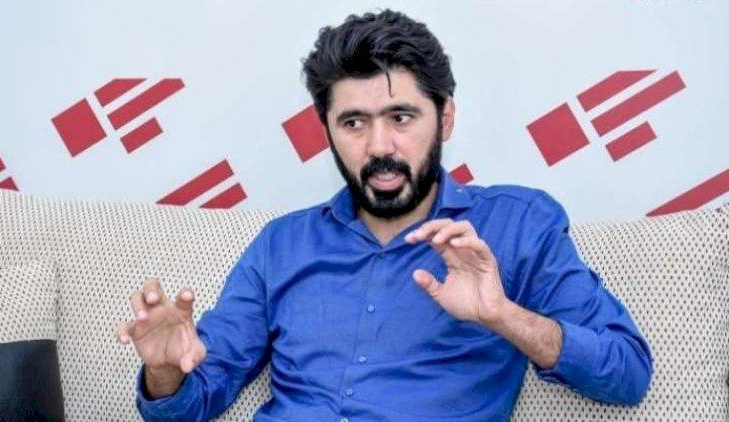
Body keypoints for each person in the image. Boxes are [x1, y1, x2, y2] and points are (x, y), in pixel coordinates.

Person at [116, 9, 653, 421]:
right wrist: (164, 371)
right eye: (353, 123)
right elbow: (190, 402)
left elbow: (626, 372)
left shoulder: (518, 225)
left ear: (445, 119)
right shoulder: (281, 246)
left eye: (401, 117)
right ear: (328, 130)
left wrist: (503, 316)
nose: (379, 146)